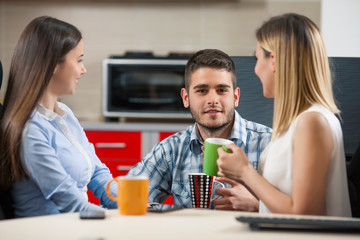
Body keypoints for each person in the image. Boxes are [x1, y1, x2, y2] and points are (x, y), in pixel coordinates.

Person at [217, 13, 351, 216]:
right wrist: (243, 178)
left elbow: (304, 213)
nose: (254, 69)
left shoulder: (312, 122)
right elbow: (285, 197)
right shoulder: (296, 123)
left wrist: (246, 171)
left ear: (274, 61)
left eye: (257, 58)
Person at [0, 16, 117, 217]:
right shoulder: (30, 130)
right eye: (79, 60)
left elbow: (98, 173)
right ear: (54, 64)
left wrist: (133, 202)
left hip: (74, 224)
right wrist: (118, 218)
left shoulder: (65, 114)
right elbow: (68, 201)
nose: (83, 69)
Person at [127, 49, 272, 210]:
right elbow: (129, 197)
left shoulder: (269, 144)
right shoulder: (171, 149)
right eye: (202, 91)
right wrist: (179, 215)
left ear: (236, 97)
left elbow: (300, 210)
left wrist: (258, 206)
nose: (212, 100)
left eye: (222, 90)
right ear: (186, 98)